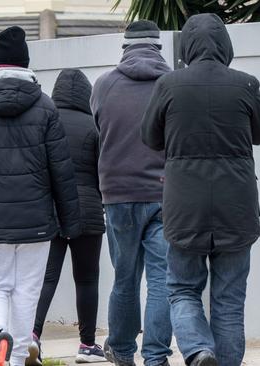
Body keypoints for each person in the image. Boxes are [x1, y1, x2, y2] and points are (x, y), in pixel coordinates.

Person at [141, 13, 260, 366]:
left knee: (183, 289)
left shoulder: (168, 85)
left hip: (185, 206)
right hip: (237, 206)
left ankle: (199, 350)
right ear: (225, 45)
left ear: (186, 46)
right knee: (229, 300)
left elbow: (149, 137)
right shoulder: (246, 84)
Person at [0, 26, 81, 366]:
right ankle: (16, 355)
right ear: (25, 62)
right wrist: (70, 222)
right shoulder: (46, 107)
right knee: (27, 292)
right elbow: (62, 171)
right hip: (36, 222)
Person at [89, 20, 173, 366]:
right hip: (164, 193)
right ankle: (156, 356)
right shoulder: (171, 84)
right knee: (162, 280)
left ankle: (122, 351)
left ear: (125, 47)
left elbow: (99, 128)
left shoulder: (104, 84)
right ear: (158, 47)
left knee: (124, 276)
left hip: (118, 192)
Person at [31, 69, 106, 364]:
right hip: (87, 211)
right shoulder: (95, 125)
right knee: (87, 279)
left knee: (45, 277)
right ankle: (87, 346)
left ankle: (32, 337)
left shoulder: (44, 123)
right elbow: (103, 170)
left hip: (49, 211)